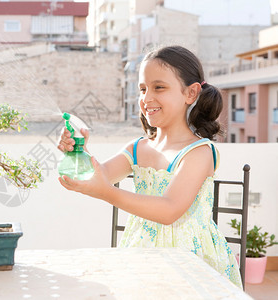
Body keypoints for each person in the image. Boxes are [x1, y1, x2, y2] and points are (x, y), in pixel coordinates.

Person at [57, 45, 242, 288]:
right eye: (142, 89)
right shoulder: (137, 148)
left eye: (159, 87)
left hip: (191, 261)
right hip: (142, 252)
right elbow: (99, 175)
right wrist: (78, 151)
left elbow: (169, 210)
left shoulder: (199, 152)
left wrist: (106, 193)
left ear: (191, 93)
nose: (147, 98)